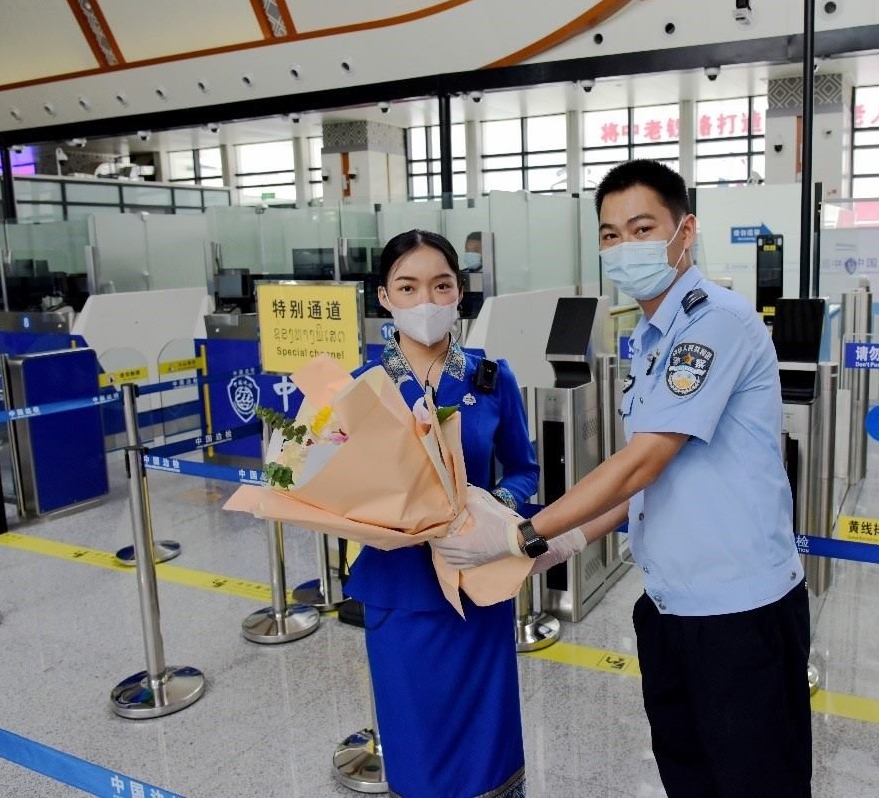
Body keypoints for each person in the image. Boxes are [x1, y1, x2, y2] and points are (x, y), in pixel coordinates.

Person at [434, 160, 812, 797]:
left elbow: (643, 461)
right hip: (669, 604)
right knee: (690, 778)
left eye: (642, 228)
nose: (624, 246)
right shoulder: (651, 336)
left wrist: (522, 534)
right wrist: (570, 539)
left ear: (684, 231)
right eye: (610, 234)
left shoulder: (715, 321)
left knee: (756, 784)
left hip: (737, 612)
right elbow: (647, 476)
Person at [344, 229, 580, 798]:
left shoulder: (490, 378)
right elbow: (341, 487)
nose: (426, 300)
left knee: (485, 740)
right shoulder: (362, 388)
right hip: (399, 589)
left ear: (459, 292)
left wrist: (484, 511)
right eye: (408, 287)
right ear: (384, 296)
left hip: (477, 582)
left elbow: (523, 470)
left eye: (441, 285)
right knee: (414, 732)